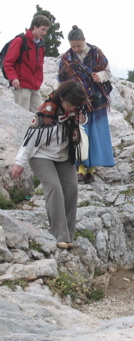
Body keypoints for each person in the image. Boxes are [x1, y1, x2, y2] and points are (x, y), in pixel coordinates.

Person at [11, 81, 88, 250]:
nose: (72, 108)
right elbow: (30, 140)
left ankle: (68, 234)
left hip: (63, 156)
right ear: (61, 98)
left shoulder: (75, 111)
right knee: (54, 188)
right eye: (69, 104)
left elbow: (82, 119)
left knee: (72, 189)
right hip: (41, 156)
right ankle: (59, 235)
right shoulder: (45, 113)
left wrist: (80, 116)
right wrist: (19, 163)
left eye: (75, 106)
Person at [58, 25, 115, 185]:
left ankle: (91, 170)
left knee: (95, 137)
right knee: (80, 136)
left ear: (84, 40)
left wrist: (100, 76)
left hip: (96, 103)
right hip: (77, 103)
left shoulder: (96, 53)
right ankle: (81, 170)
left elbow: (108, 72)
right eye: (73, 46)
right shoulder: (66, 58)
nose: (76, 49)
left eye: (78, 45)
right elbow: (62, 78)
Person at [3, 15, 50, 113]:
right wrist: (13, 78)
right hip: (21, 86)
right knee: (22, 116)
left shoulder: (40, 44)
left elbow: (39, 66)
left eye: (46, 30)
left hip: (35, 86)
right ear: (35, 27)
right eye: (43, 29)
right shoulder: (20, 41)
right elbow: (8, 62)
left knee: (38, 117)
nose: (45, 33)